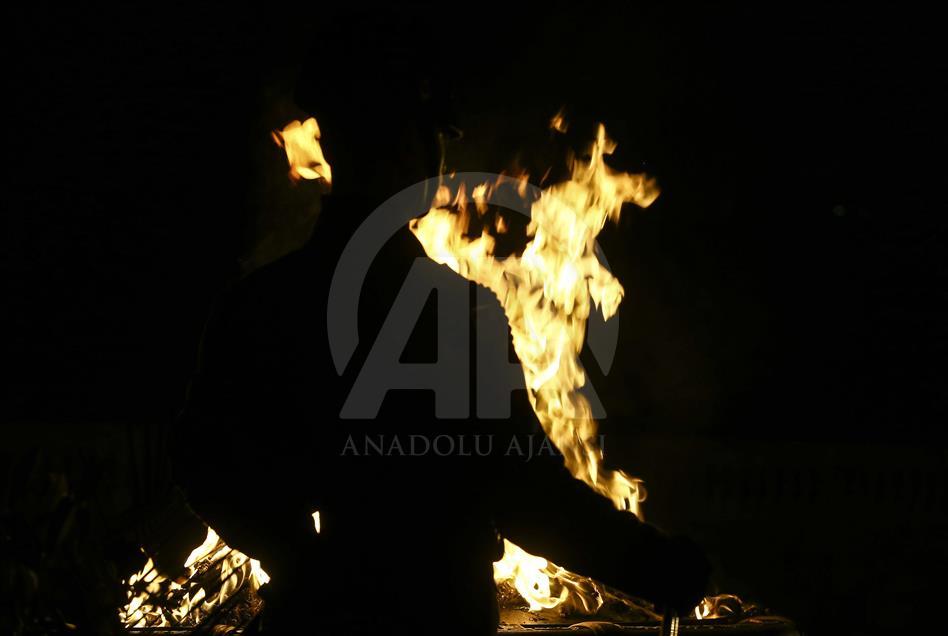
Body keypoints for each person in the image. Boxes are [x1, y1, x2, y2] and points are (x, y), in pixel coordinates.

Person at [173, 18, 709, 635]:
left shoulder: (262, 304)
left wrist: (296, 553)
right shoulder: (452, 312)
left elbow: (202, 459)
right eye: (432, 137)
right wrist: (658, 566)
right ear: (413, 146)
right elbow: (523, 493)